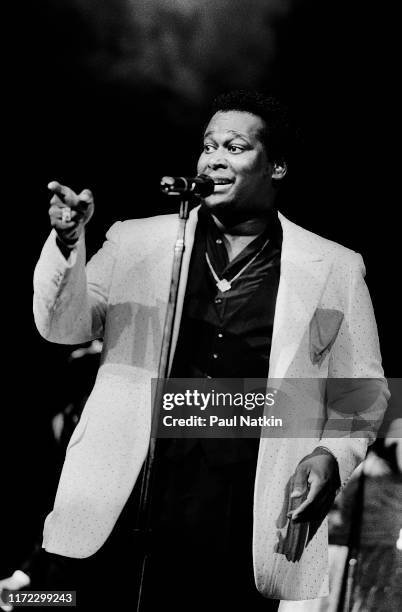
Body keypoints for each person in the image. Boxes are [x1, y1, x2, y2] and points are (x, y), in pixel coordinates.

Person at [29, 91, 388, 611]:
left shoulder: (333, 266)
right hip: (128, 491)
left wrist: (331, 454)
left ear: (277, 166)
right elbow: (62, 329)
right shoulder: (136, 242)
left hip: (242, 509)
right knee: (77, 600)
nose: (214, 158)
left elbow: (364, 390)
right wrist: (67, 247)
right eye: (207, 146)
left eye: (236, 147)